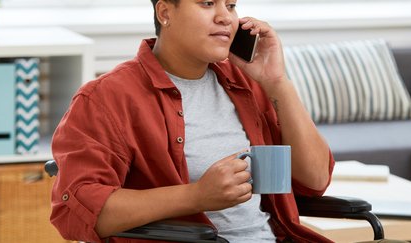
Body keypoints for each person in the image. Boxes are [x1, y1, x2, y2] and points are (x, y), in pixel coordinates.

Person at [49, 0, 335, 242]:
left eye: (231, 5)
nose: (225, 17)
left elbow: (315, 179)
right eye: (208, 3)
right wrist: (196, 196)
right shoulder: (106, 98)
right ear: (165, 13)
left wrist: (278, 82)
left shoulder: (246, 82)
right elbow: (77, 209)